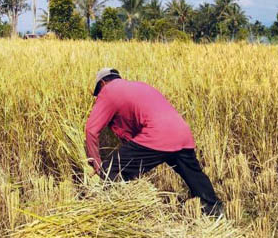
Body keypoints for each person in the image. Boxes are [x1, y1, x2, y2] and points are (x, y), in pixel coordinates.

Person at [85, 68, 223, 216]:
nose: (98, 96)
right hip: (182, 133)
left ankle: (118, 213)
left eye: (98, 92)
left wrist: (96, 163)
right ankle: (214, 210)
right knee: (194, 175)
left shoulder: (108, 90)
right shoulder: (140, 86)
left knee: (110, 169)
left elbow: (91, 130)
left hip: (156, 135)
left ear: (102, 83)